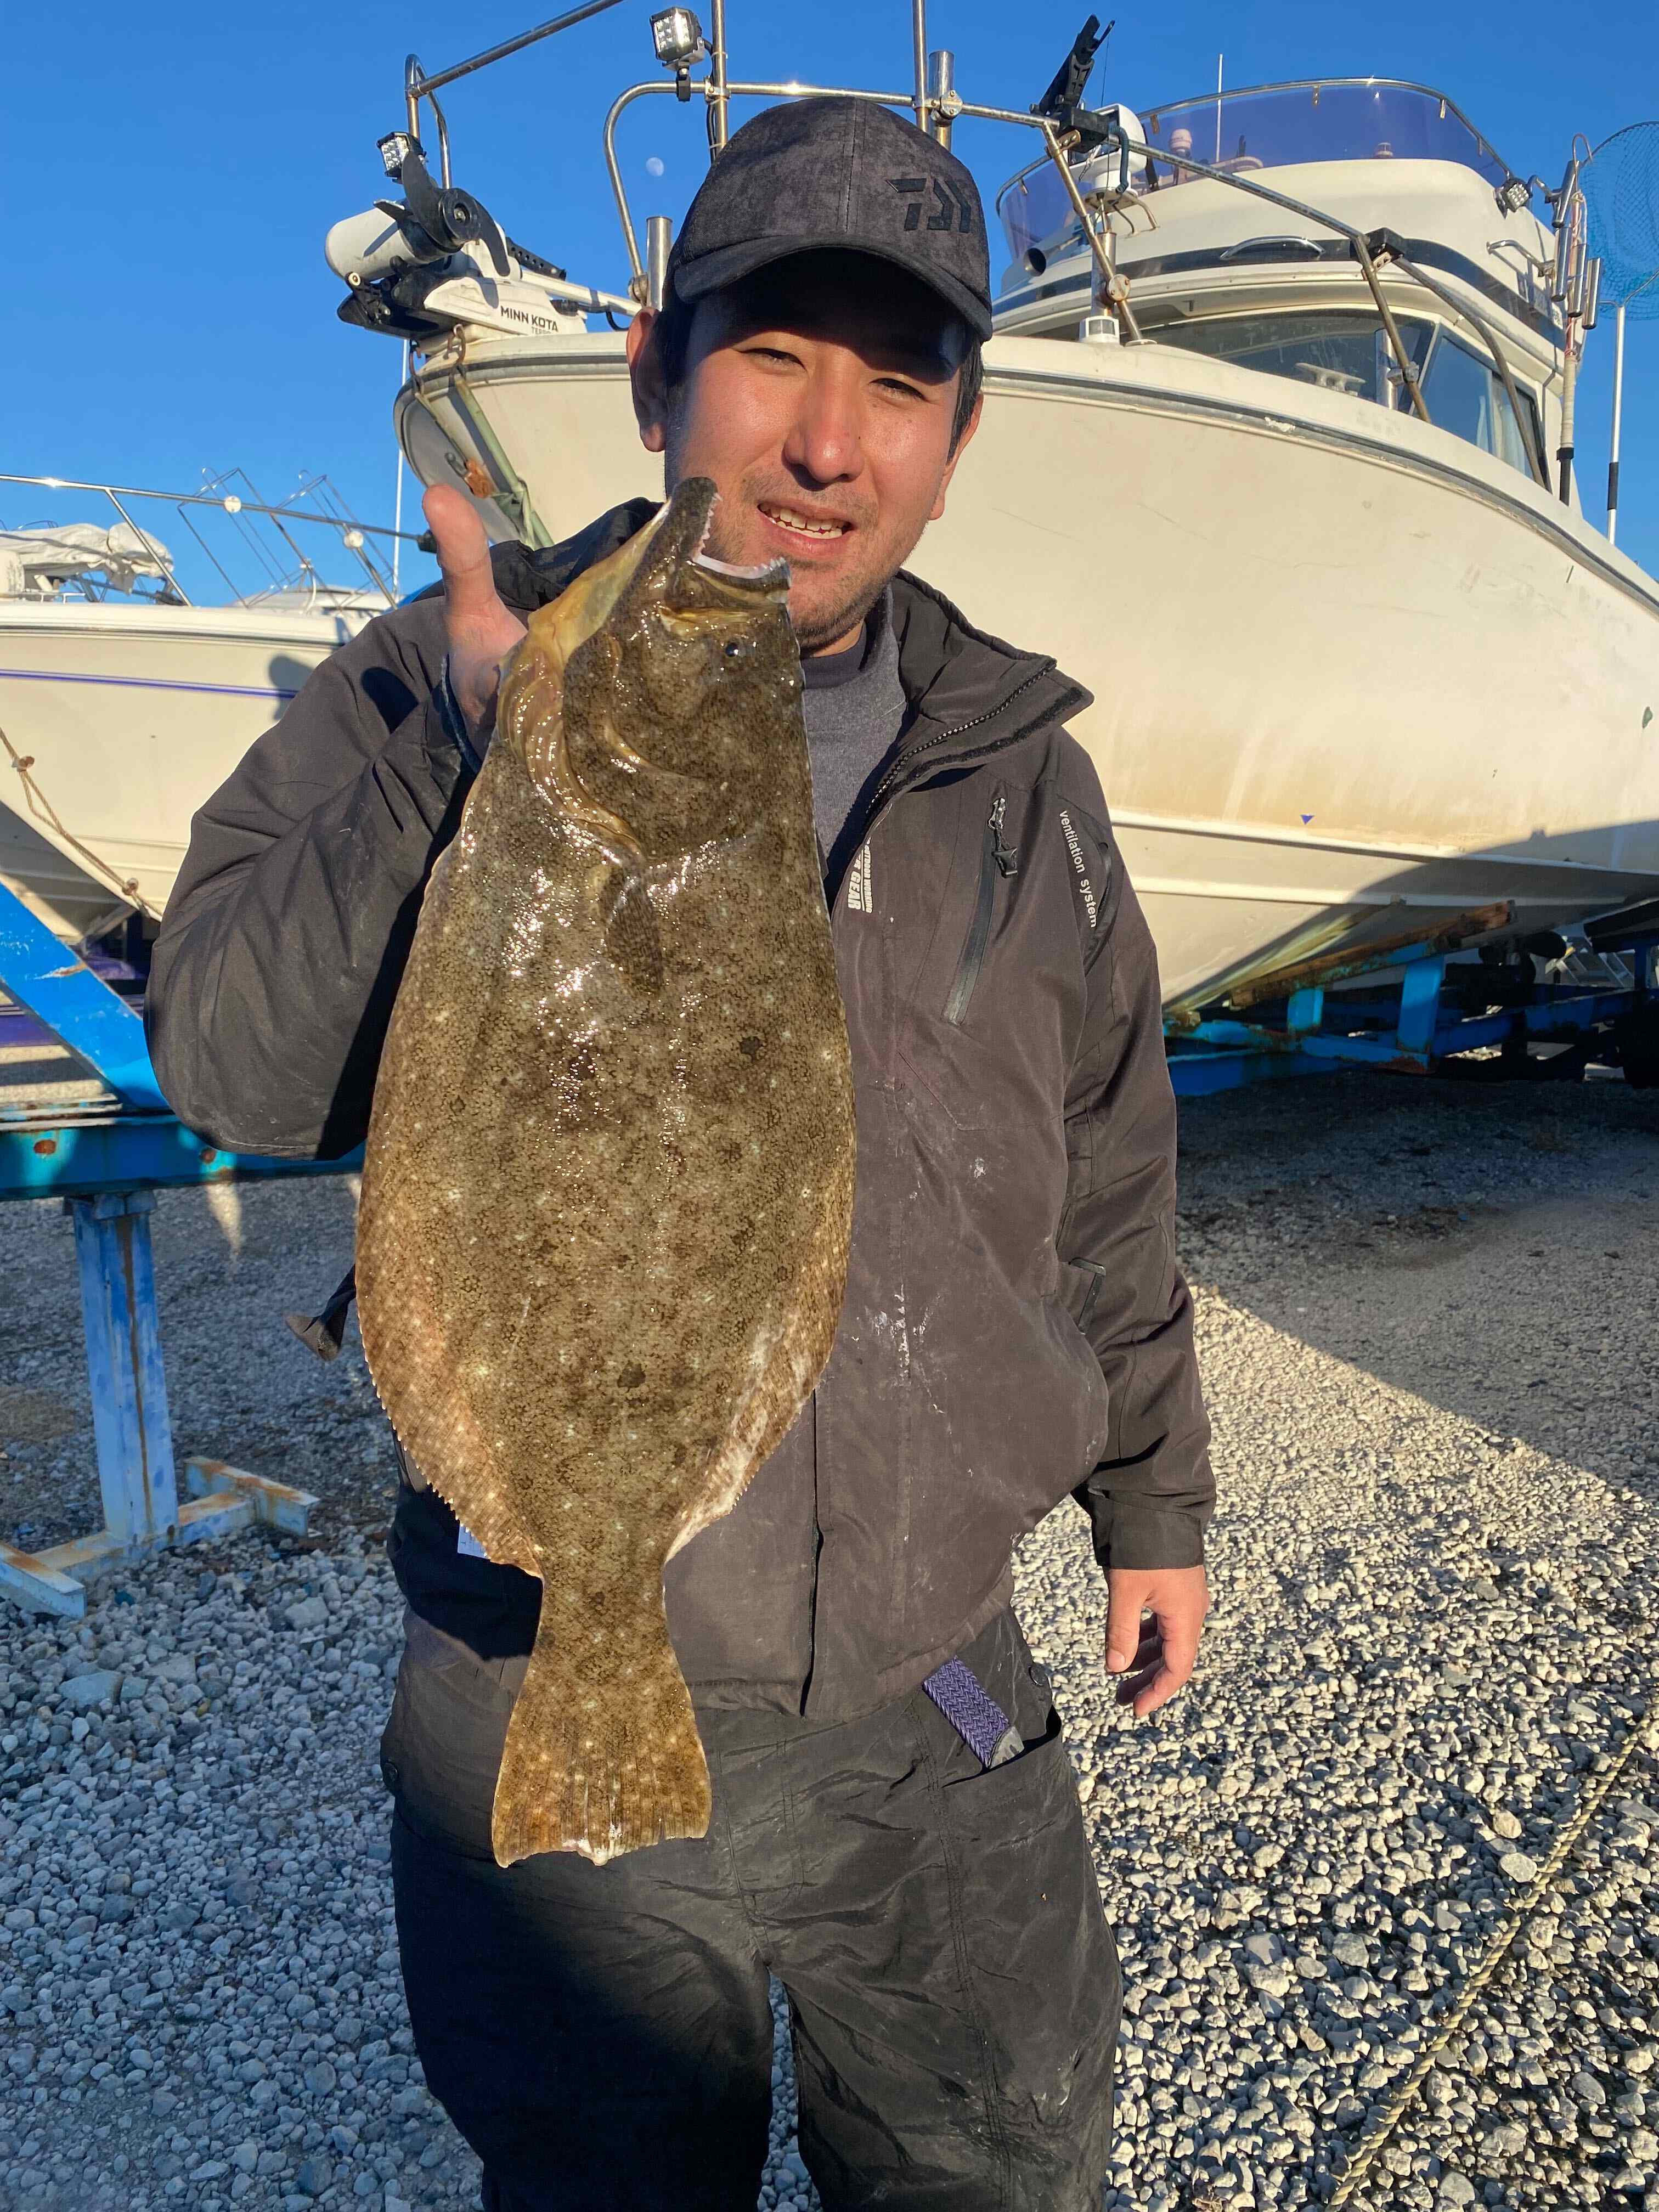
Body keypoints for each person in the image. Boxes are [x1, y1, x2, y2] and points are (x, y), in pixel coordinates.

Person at [148, 94, 1213, 2212]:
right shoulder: (447, 684)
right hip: (540, 1662)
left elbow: (1102, 1164)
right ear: (654, 376)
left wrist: (1152, 1501)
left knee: (997, 2172)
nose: (830, 441)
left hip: (933, 1696)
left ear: (959, 436)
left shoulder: (1017, 773)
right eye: (774, 356)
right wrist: (460, 758)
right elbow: (231, 1067)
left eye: (898, 383)